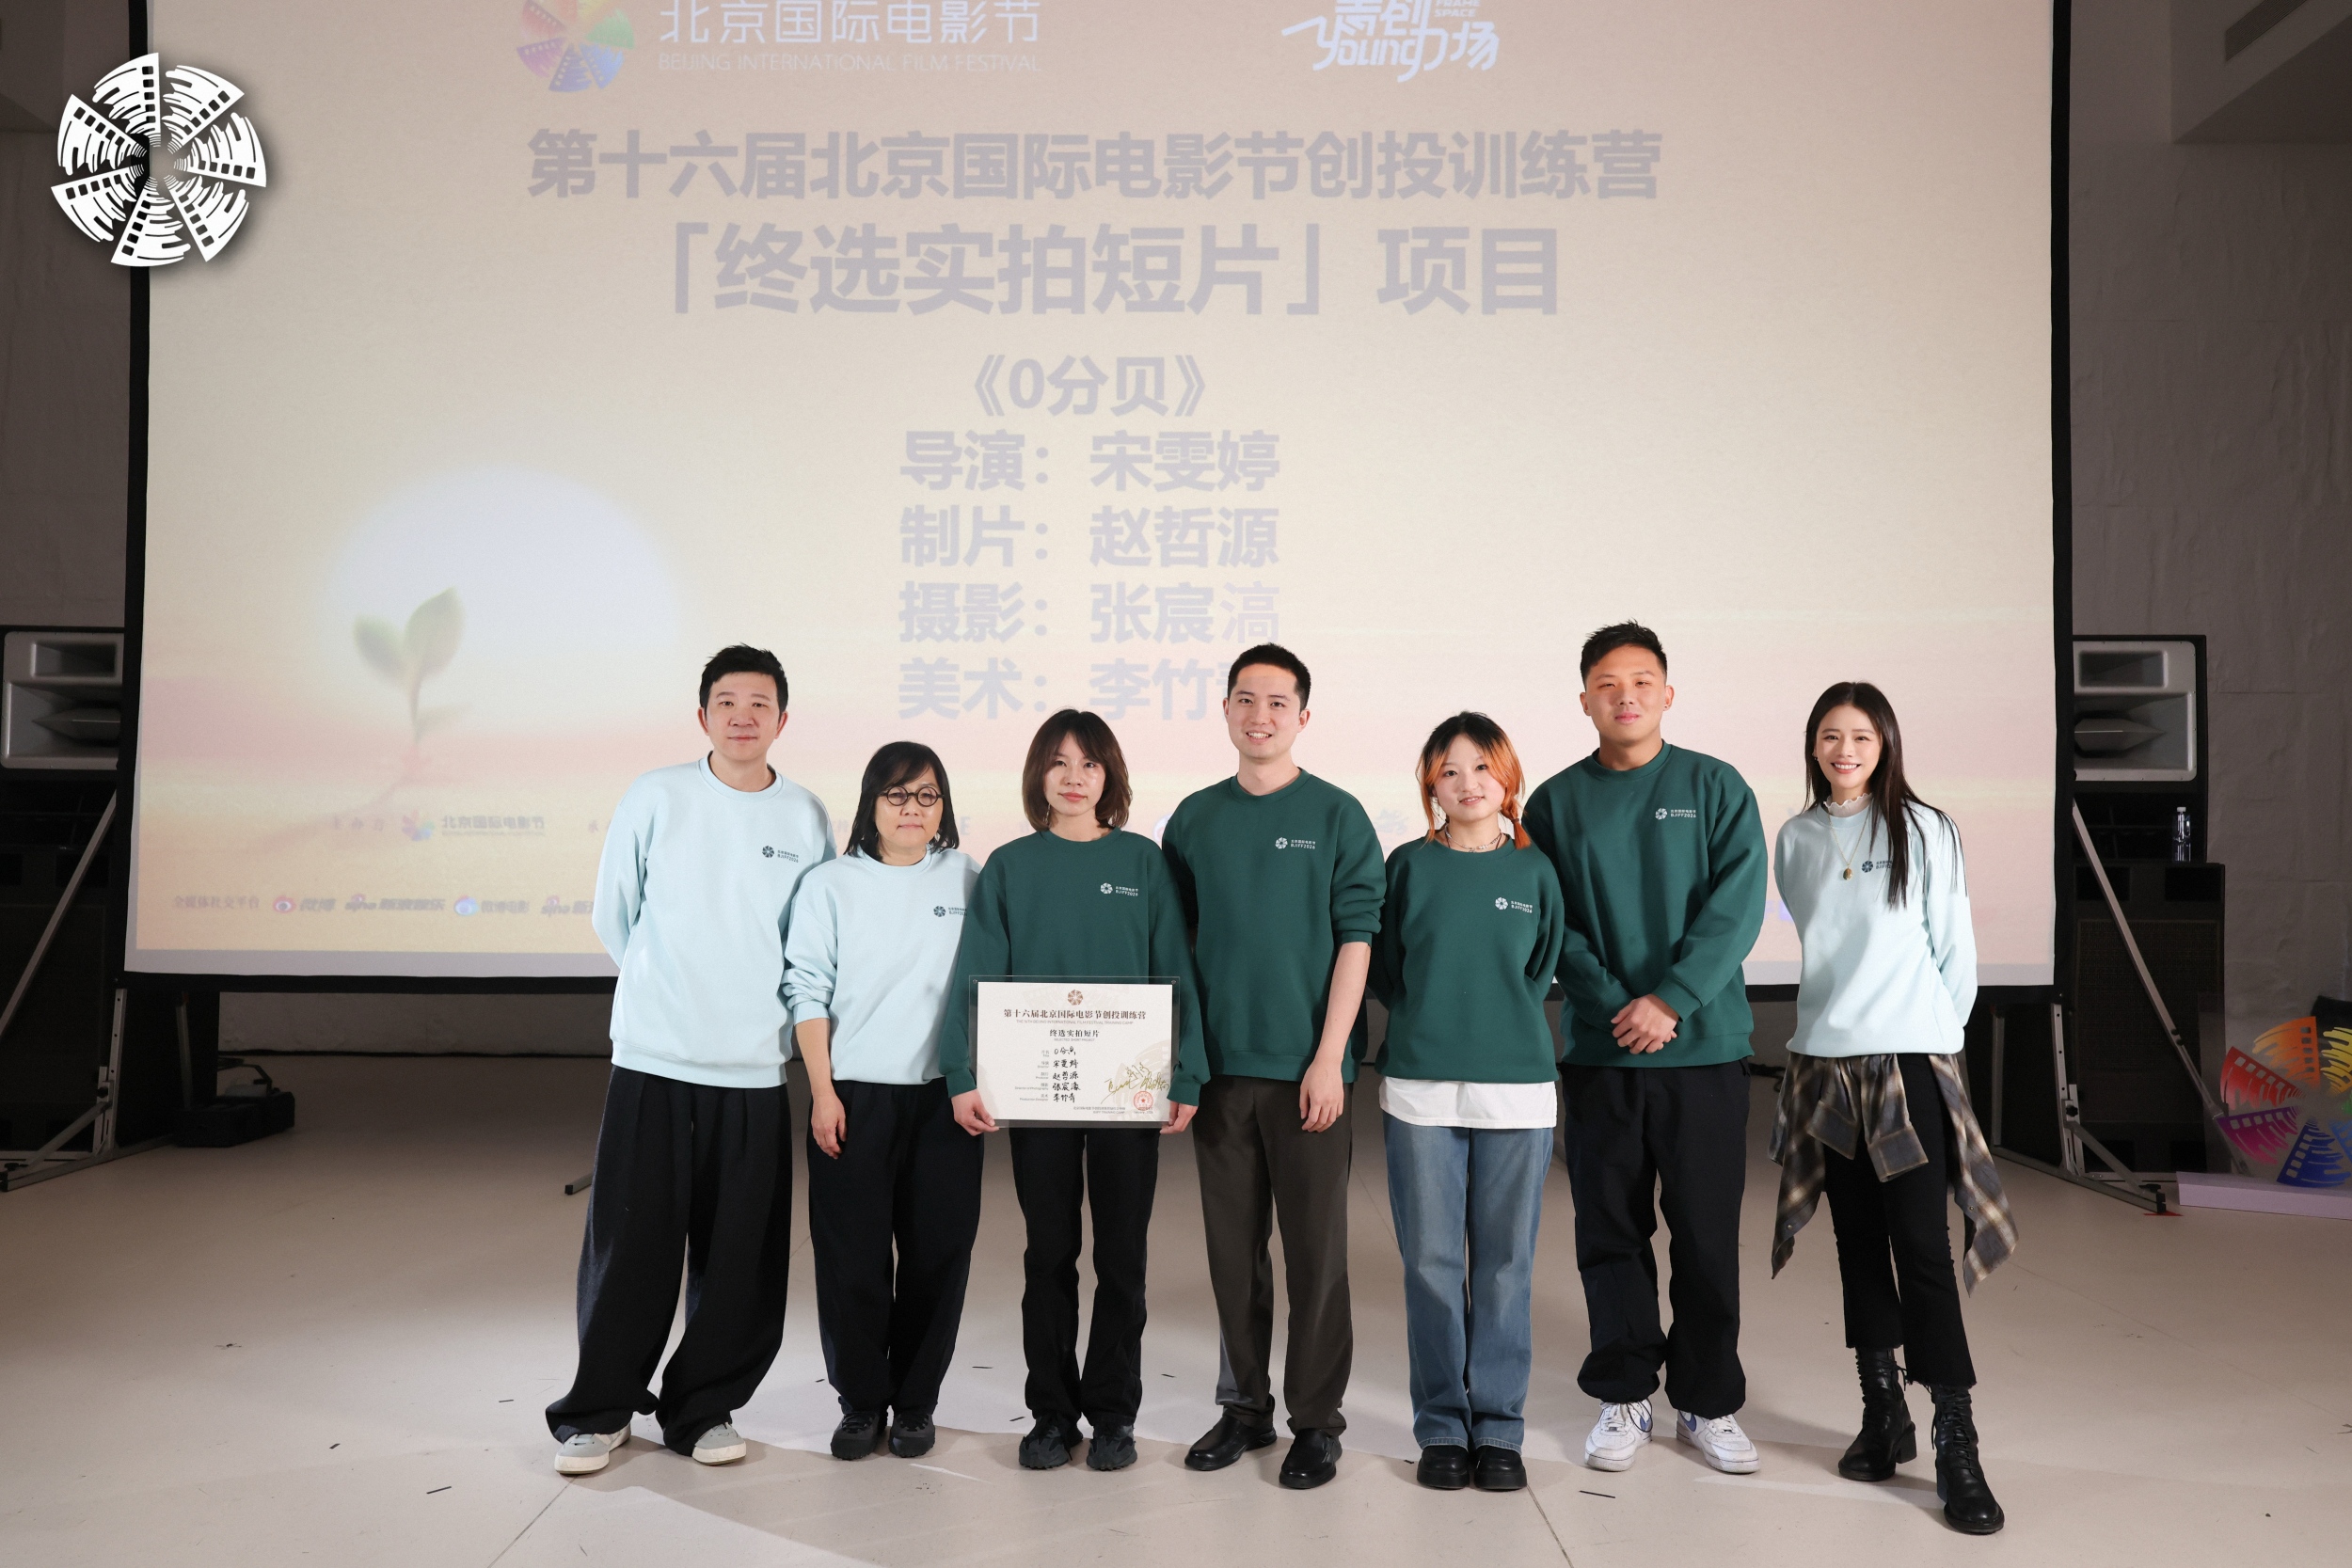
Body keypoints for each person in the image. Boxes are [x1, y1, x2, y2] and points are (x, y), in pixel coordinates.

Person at [547, 645, 834, 1475]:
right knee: (631, 1248)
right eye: (727, 701)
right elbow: (615, 913)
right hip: (656, 1060)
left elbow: (812, 940)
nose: (743, 716)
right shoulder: (657, 795)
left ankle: (702, 1408)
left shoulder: (805, 815)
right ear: (703, 715)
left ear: (783, 719)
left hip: (752, 1069)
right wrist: (663, 990)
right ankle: (599, 1411)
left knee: (739, 1256)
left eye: (760, 703)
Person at [1768, 682, 2015, 1535]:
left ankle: (1956, 1439)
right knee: (1857, 1244)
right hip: (1825, 1064)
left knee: (1923, 1246)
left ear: (1886, 745)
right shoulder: (1796, 837)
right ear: (1813, 745)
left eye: (1861, 737)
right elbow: (1821, 947)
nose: (1845, 750)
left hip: (1908, 1063)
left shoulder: (1926, 828)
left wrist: (1928, 1040)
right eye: (1830, 736)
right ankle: (1884, 1413)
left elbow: (1956, 954)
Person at [936, 710, 1211, 1473]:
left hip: (1128, 1093)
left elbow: (1174, 968)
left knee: (1122, 1256)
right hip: (1039, 1093)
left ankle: (1114, 1414)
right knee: (1048, 1253)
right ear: (1039, 774)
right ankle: (1052, 1413)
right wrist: (962, 1072)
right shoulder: (1010, 866)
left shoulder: (1143, 861)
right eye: (1058, 762)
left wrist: (1186, 1070)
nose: (1073, 777)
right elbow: (976, 974)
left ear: (1109, 775)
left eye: (1089, 763)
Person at [1522, 622, 1768, 1477]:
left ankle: (1708, 1399)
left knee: (1706, 1236)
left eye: (1640, 680)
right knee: (1610, 1232)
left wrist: (1672, 1000)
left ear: (1667, 692)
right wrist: (1615, 1004)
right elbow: (1554, 921)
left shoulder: (1715, 785)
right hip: (1604, 1053)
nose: (1624, 695)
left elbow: (1738, 906)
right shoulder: (1554, 803)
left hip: (1703, 1051)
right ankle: (1624, 1392)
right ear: (1584, 699)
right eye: (1607, 683)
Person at [1162, 645, 1383, 1491]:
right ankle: (1244, 1407)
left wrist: (1329, 1057)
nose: (1261, 715)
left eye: (1278, 701)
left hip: (1309, 1074)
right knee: (1232, 1251)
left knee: (1317, 1255)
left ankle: (1316, 1422)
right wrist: (1183, 1066)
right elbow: (1175, 950)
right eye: (1245, 699)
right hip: (1221, 1071)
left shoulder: (1338, 814)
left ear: (1303, 715)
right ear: (1225, 709)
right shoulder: (1193, 819)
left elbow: (1357, 939)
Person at [1373, 713, 1565, 1495]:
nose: (1467, 783)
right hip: (1420, 1087)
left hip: (1517, 1090)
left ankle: (1499, 1427)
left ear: (1507, 777)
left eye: (1482, 767)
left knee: (1506, 1266)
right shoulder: (1406, 867)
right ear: (1430, 785)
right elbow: (1388, 969)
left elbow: (1539, 968)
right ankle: (1443, 1426)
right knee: (1431, 1263)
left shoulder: (1536, 871)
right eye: (1449, 771)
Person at [785, 742, 983, 1465]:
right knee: (852, 1258)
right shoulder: (829, 884)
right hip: (854, 1097)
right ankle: (861, 1401)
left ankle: (916, 1402)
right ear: (871, 802)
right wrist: (822, 1090)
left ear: (943, 806)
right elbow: (806, 989)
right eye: (896, 794)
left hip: (944, 1100)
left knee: (938, 1255)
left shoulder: (967, 876)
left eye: (927, 795)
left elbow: (993, 983)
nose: (911, 808)